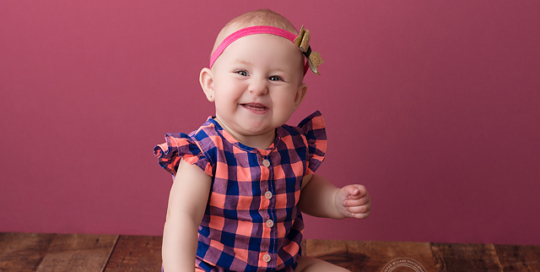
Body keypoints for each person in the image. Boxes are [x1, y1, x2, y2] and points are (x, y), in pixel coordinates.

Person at [154, 9, 371, 272]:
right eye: (242, 72)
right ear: (211, 84)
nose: (258, 87)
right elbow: (183, 218)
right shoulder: (204, 152)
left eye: (275, 78)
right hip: (215, 267)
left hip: (283, 265)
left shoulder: (295, 145)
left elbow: (304, 190)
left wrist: (336, 200)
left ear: (297, 98)